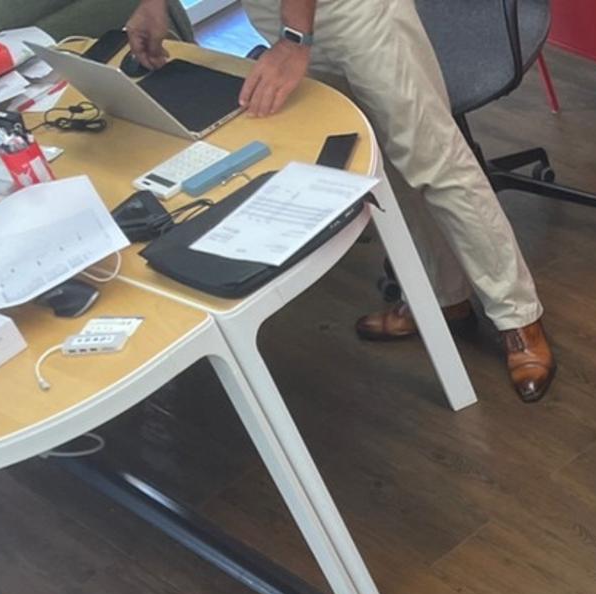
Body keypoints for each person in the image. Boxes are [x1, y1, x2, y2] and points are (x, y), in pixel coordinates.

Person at [123, 0, 558, 402]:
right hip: (278, 15)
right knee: (375, 161)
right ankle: (444, 299)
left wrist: (295, 39)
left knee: (434, 160)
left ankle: (517, 317)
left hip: (353, 11)